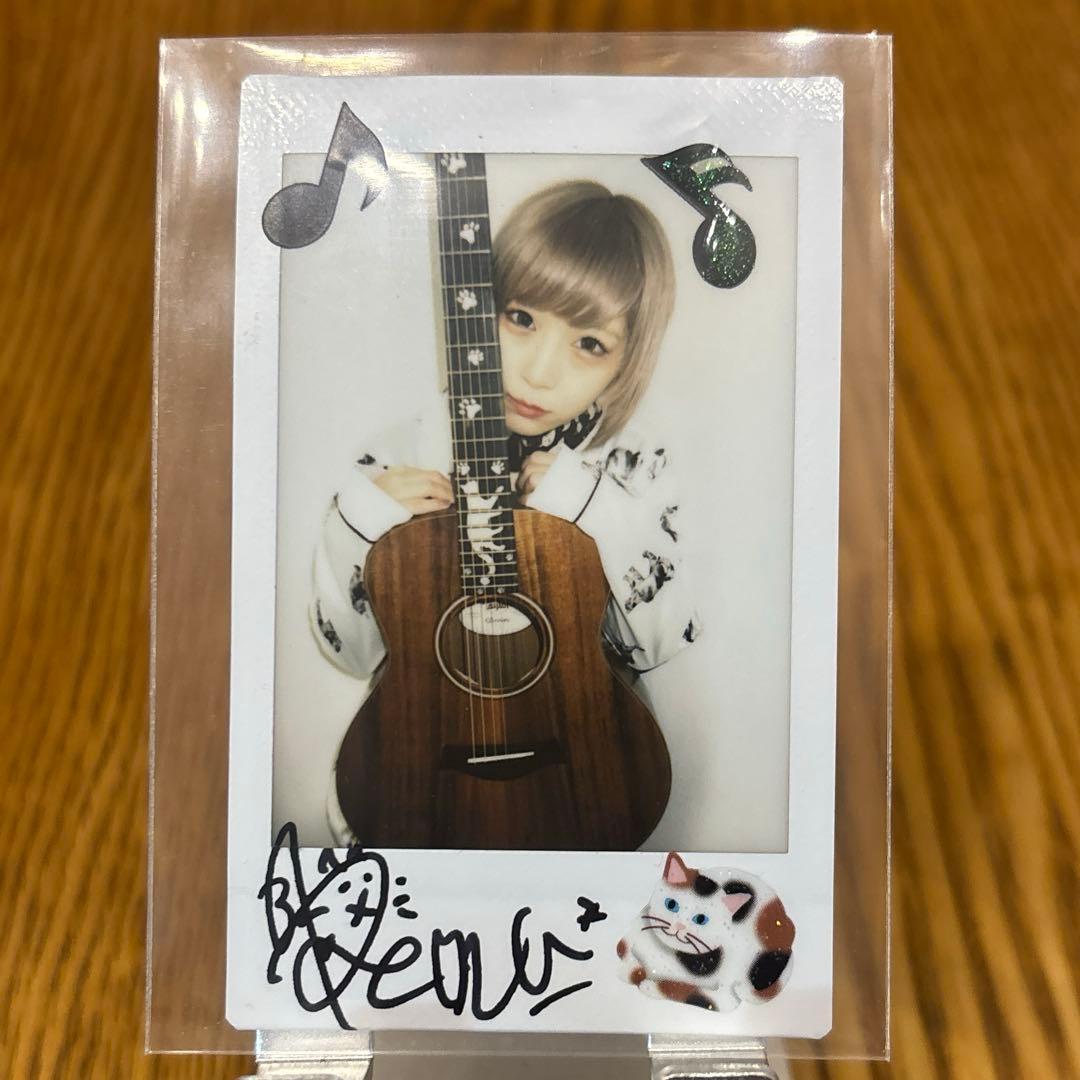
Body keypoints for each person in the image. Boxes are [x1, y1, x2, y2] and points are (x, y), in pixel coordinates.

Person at [310, 179, 703, 842]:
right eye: (521, 318)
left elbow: (665, 640)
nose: (539, 372)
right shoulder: (401, 456)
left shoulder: (636, 468)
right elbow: (352, 656)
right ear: (479, 308)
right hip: (415, 787)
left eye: (589, 344)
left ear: (625, 364)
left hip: (581, 784)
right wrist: (355, 526)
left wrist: (593, 508)